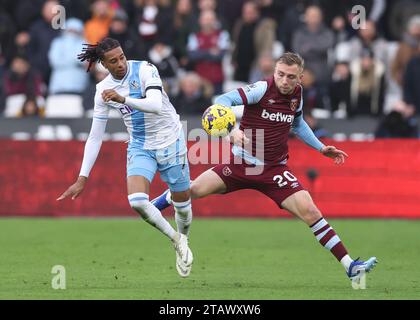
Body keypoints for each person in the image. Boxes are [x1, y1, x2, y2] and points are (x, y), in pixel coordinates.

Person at [152, 52, 378, 284]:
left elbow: (298, 125)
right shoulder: (261, 89)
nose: (284, 80)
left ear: (300, 78)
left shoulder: (297, 96)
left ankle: (350, 265)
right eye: (280, 74)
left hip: (274, 170)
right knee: (192, 191)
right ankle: (153, 207)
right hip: (241, 165)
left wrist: (321, 148)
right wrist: (232, 130)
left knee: (311, 212)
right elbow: (221, 101)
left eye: (291, 77)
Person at [57, 38, 193, 277]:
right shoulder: (102, 91)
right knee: (138, 201)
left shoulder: (146, 69)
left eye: (121, 57)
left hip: (171, 140)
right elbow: (95, 136)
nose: (121, 63)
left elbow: (154, 106)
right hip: (140, 145)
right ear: (103, 65)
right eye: (113, 61)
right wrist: (82, 177)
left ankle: (185, 237)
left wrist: (123, 99)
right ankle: (176, 240)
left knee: (183, 206)